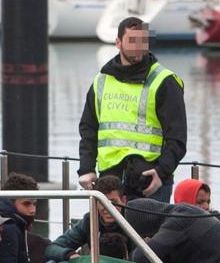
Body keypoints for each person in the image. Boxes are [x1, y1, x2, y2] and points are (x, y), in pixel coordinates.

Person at [77, 16, 186, 201]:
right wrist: (86, 169)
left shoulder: (164, 81)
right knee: (108, 231)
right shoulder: (101, 81)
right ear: (118, 43)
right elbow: (88, 129)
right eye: (132, 40)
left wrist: (162, 172)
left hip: (150, 182)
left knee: (148, 231)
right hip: (109, 181)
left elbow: (177, 137)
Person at [44, 175, 129, 263]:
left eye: (113, 202)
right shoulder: (89, 220)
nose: (107, 208)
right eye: (102, 202)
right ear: (95, 202)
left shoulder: (133, 220)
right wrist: (70, 255)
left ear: (124, 201)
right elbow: (52, 248)